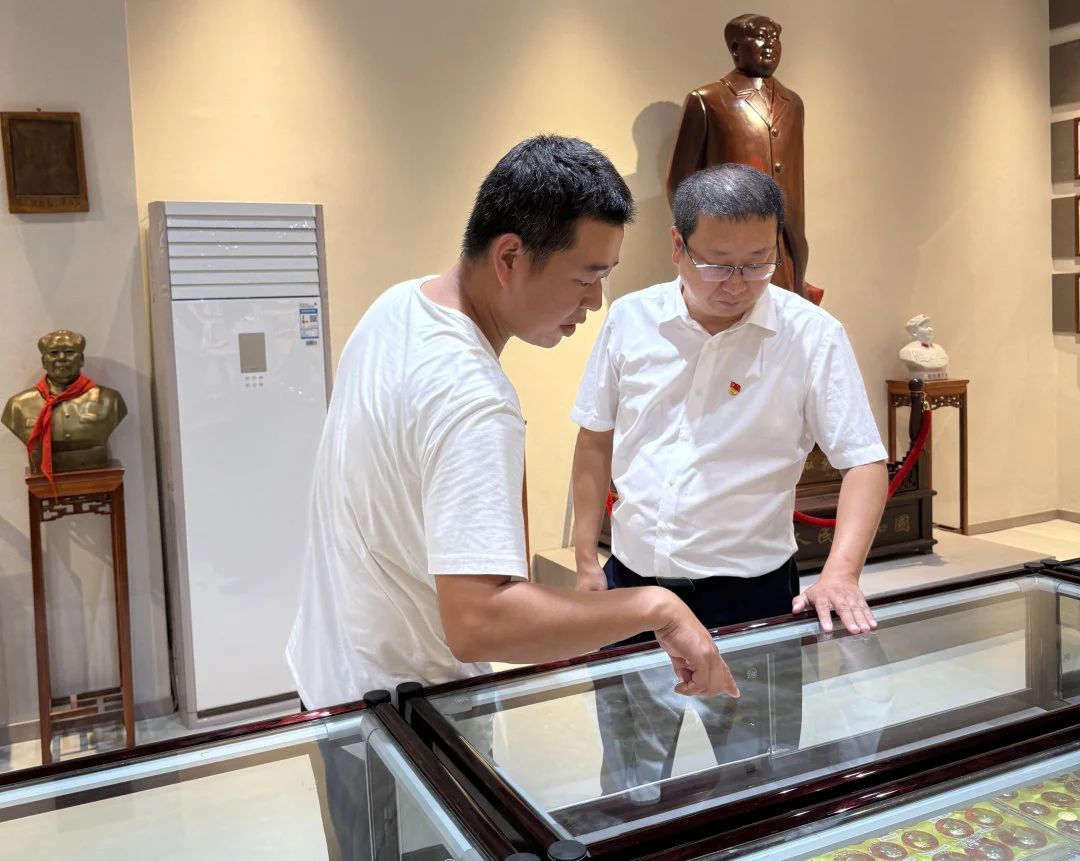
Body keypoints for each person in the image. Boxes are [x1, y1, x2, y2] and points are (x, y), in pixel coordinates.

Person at [286, 136, 738, 858]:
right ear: (509, 258)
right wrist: (656, 607)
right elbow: (480, 620)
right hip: (405, 716)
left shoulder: (400, 304)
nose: (595, 302)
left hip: (335, 680)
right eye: (586, 277)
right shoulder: (473, 399)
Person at [571, 162, 888, 800]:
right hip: (632, 586)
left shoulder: (810, 335)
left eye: (758, 262)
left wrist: (842, 571)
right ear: (677, 246)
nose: (738, 283)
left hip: (752, 595)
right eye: (717, 264)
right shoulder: (631, 320)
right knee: (630, 783)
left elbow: (863, 461)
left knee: (759, 779)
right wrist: (583, 558)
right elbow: (595, 436)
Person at [666, 13, 812, 300]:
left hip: (785, 240)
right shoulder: (707, 100)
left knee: (782, 313)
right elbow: (680, 182)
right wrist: (699, 236)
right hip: (727, 242)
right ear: (735, 47)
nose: (769, 45)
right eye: (759, 37)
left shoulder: (793, 103)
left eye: (774, 37)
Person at [2, 330, 127, 478]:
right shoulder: (18, 406)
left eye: (69, 352)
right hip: (43, 482)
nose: (62, 358)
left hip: (96, 477)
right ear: (43, 361)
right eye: (54, 353)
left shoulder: (110, 399)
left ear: (81, 359)